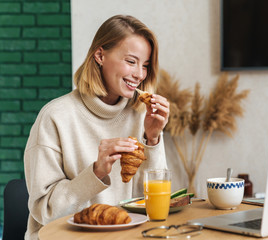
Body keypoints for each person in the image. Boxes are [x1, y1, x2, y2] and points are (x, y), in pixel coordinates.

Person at [24, 15, 169, 240]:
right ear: (100, 55)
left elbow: (151, 205)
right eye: (131, 61)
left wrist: (153, 139)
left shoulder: (141, 115)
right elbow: (46, 212)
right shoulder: (55, 117)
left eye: (145, 65)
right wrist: (97, 172)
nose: (140, 74)